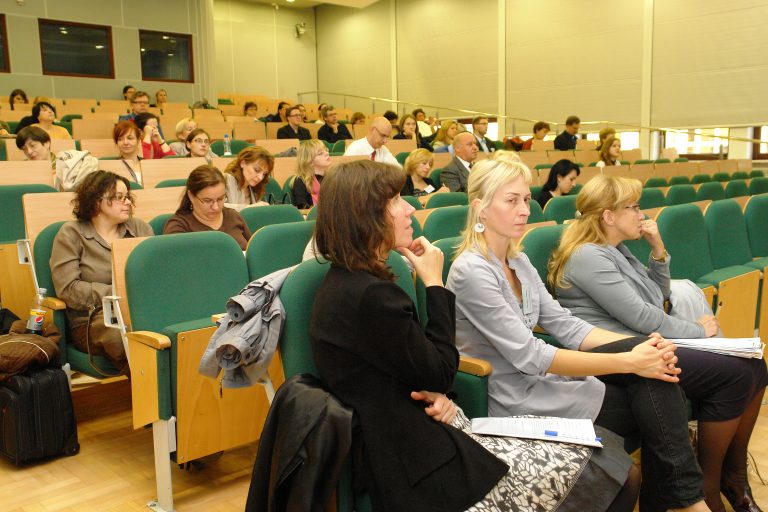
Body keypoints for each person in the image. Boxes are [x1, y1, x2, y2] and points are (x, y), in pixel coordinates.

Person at [310, 159, 640, 512]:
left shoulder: (357, 283)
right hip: (414, 460)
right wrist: (434, 284)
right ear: (366, 215)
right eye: (395, 201)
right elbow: (439, 370)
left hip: (424, 430)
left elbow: (409, 367)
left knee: (611, 460)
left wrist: (438, 390)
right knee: (616, 472)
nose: (409, 209)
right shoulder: (371, 295)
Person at [446, 157, 712, 512]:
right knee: (657, 402)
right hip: (513, 399)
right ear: (481, 208)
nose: (524, 209)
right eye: (512, 200)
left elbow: (565, 324)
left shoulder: (518, 262)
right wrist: (628, 360)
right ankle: (688, 502)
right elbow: (531, 356)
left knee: (655, 376)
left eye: (526, 199)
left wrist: (640, 349)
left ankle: (684, 501)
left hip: (547, 385)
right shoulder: (471, 271)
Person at [549, 174, 768, 512]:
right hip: (614, 352)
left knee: (757, 366)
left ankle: (733, 475)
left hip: (644, 341)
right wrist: (697, 330)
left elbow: (656, 297)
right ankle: (710, 486)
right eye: (634, 207)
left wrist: (658, 249)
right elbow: (644, 317)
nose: (642, 214)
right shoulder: (587, 256)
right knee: (736, 375)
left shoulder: (615, 249)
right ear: (608, 216)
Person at [50, 171, 153, 375]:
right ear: (96, 201)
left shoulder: (140, 228)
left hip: (141, 309)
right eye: (119, 197)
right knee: (124, 335)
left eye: (128, 196)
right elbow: (68, 289)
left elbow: (156, 274)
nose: (127, 202)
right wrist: (117, 295)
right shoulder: (71, 233)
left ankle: (167, 388)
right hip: (92, 320)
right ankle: (151, 387)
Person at [164, 165, 252, 250]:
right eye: (207, 201)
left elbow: (251, 251)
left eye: (220, 199)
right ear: (191, 196)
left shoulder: (233, 216)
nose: (216, 207)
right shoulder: (179, 226)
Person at [16, 126, 99, 190]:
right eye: (24, 149)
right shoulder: (24, 169)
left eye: (32, 145)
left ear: (47, 143)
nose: (29, 151)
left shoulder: (67, 161)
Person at [290, 139, 331, 209]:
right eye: (320, 153)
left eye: (326, 150)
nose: (327, 153)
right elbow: (302, 208)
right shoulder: (301, 181)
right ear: (309, 161)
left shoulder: (332, 178)